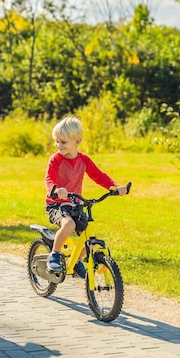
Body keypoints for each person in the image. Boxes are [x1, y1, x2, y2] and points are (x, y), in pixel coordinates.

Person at [44, 116, 127, 275]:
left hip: (75, 204)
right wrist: (55, 189)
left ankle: (76, 260)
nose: (58, 145)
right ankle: (54, 254)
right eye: (57, 141)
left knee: (90, 241)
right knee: (69, 225)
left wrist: (115, 187)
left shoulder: (84, 160)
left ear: (77, 141)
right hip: (56, 204)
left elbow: (98, 175)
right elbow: (49, 178)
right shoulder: (56, 159)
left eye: (63, 142)